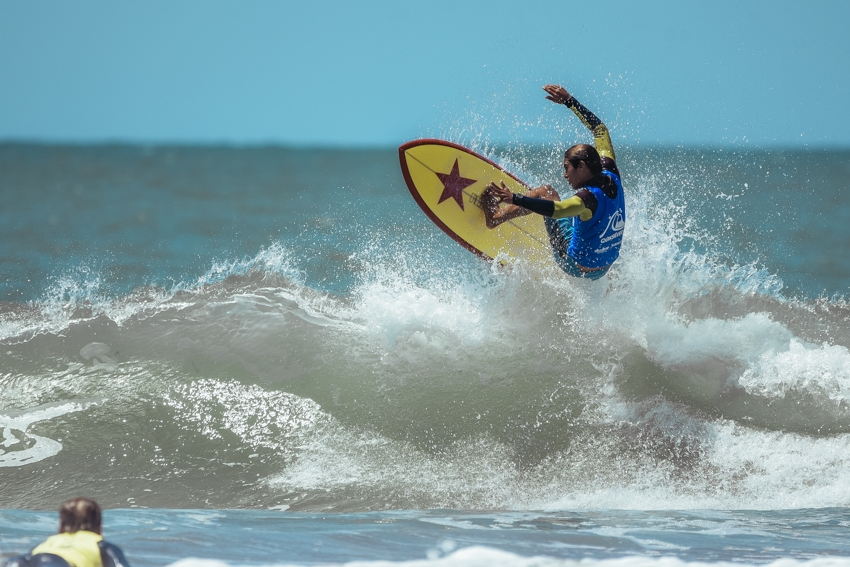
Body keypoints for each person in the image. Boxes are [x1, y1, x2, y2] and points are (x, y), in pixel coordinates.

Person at [482, 84, 625, 280]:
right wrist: (570, 102)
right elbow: (600, 131)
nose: (565, 175)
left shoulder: (587, 198)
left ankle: (495, 218)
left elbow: (557, 209)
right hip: (604, 268)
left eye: (567, 168)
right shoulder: (610, 171)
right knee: (586, 217)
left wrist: (514, 198)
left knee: (546, 193)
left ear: (581, 166)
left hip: (575, 266)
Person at [4, 498, 131, 567]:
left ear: (59, 529)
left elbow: (30, 557)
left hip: (22, 561)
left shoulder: (51, 541)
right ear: (99, 529)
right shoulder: (99, 544)